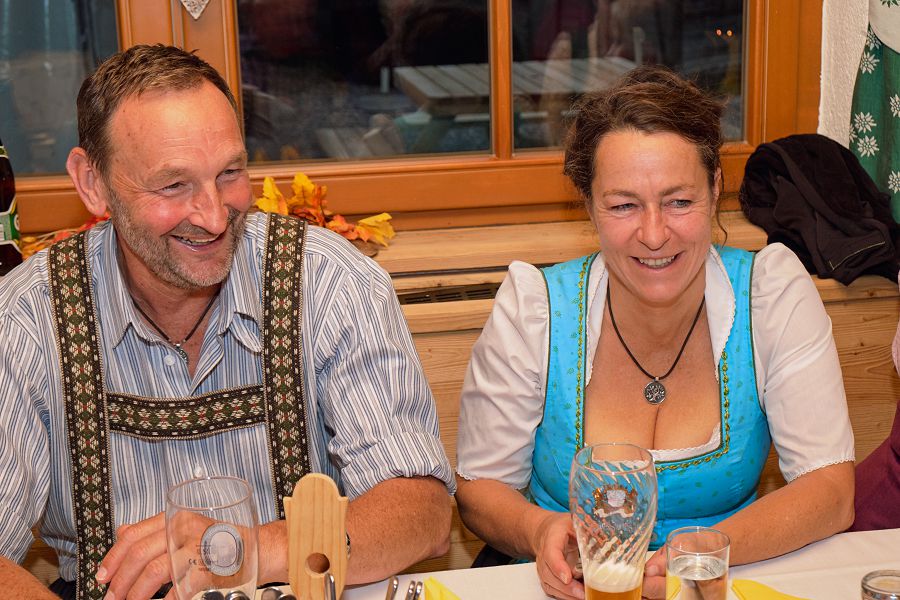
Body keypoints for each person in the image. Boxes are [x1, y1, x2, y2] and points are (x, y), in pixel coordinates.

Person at [0, 44, 453, 600]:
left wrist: (244, 549)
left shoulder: (327, 281)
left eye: (230, 173)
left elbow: (423, 512)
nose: (215, 217)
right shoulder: (26, 318)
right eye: (174, 185)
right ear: (93, 183)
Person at [454, 65, 855, 600]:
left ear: (715, 188)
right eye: (624, 205)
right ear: (589, 205)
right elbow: (480, 490)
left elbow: (831, 490)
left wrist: (707, 552)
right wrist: (538, 529)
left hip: (716, 582)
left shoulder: (771, 294)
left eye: (678, 201)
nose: (653, 233)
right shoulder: (535, 309)